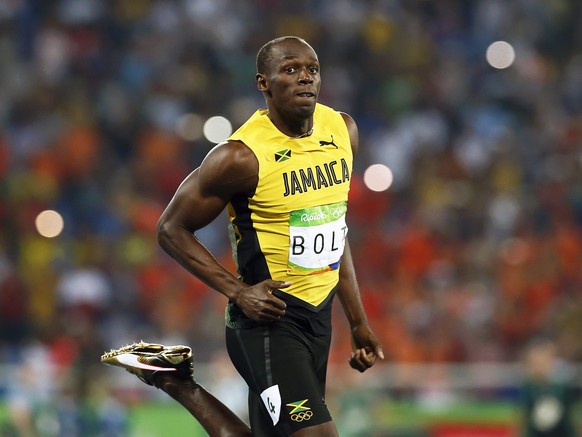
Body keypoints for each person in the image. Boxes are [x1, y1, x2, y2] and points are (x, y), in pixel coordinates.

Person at [101, 35, 384, 437]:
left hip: (319, 321)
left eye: (312, 70)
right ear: (263, 83)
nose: (306, 78)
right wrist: (238, 292)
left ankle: (174, 380)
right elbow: (170, 229)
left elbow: (334, 230)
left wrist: (358, 321)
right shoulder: (240, 156)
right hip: (268, 325)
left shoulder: (342, 131)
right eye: (290, 70)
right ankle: (176, 382)